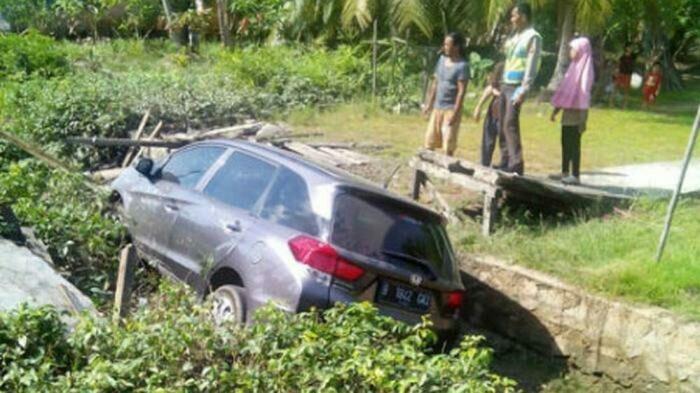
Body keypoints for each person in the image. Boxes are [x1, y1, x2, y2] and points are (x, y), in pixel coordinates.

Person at [498, 2, 542, 175]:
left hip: (517, 86)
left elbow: (532, 64)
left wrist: (524, 89)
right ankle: (504, 160)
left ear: (523, 16)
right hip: (505, 83)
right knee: (501, 122)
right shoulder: (514, 35)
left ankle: (516, 164)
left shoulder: (533, 37)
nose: (512, 19)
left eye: (515, 15)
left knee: (510, 123)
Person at [550, 37, 594, 185]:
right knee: (564, 142)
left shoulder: (586, 71)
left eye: (573, 49)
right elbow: (565, 92)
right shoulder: (573, 68)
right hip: (567, 115)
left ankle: (575, 174)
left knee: (574, 145)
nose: (570, 51)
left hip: (577, 116)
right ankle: (564, 172)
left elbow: (584, 97)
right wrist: (556, 110)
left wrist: (583, 120)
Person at [422, 32, 470, 156]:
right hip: (438, 107)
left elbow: (461, 91)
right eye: (444, 44)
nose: (445, 47)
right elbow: (435, 83)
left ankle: (447, 171)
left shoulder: (462, 66)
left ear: (456, 47)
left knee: (448, 145)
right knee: (429, 141)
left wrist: (455, 112)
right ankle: (422, 173)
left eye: (448, 45)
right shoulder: (442, 60)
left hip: (450, 109)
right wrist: (429, 104)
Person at [473, 62, 505, 167]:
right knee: (487, 140)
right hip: (494, 111)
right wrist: (479, 106)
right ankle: (484, 163)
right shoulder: (501, 67)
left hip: (505, 113)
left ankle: (505, 164)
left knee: (504, 141)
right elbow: (490, 88)